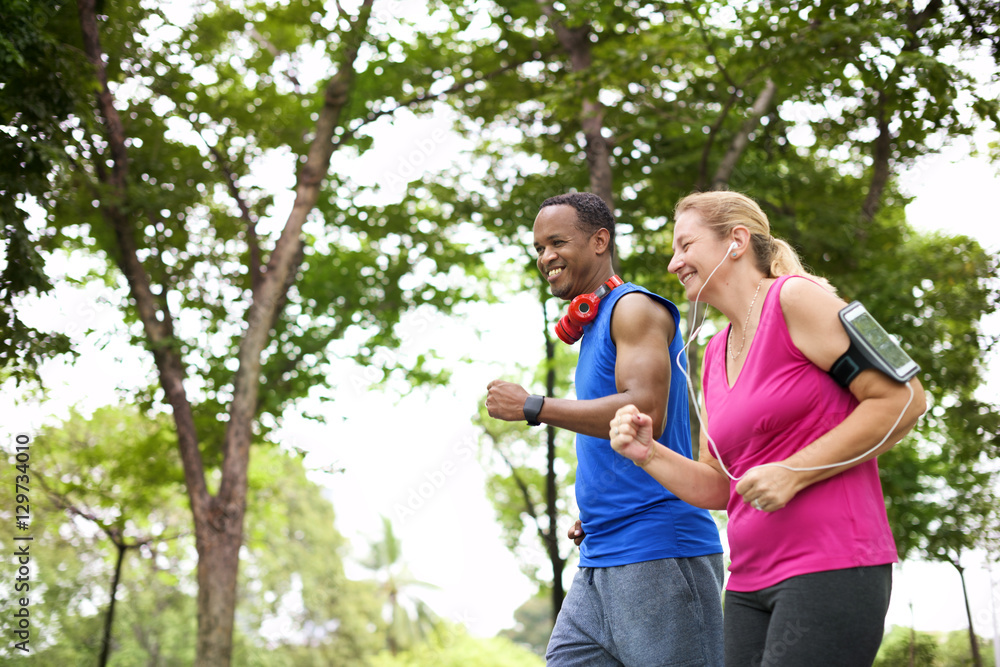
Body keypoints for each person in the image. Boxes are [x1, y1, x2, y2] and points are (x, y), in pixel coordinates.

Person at [609, 190, 927, 666]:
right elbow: (721, 485)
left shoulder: (798, 298)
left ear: (736, 240)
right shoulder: (713, 352)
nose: (674, 263)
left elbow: (904, 398)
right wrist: (647, 451)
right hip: (747, 583)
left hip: (832, 565)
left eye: (685, 245)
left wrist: (794, 472)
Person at [486, 191, 725, 666]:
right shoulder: (594, 325)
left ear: (600, 241)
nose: (546, 256)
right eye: (538, 248)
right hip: (600, 551)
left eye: (557, 241)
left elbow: (644, 412)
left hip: (658, 550)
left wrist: (533, 405)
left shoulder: (633, 308)